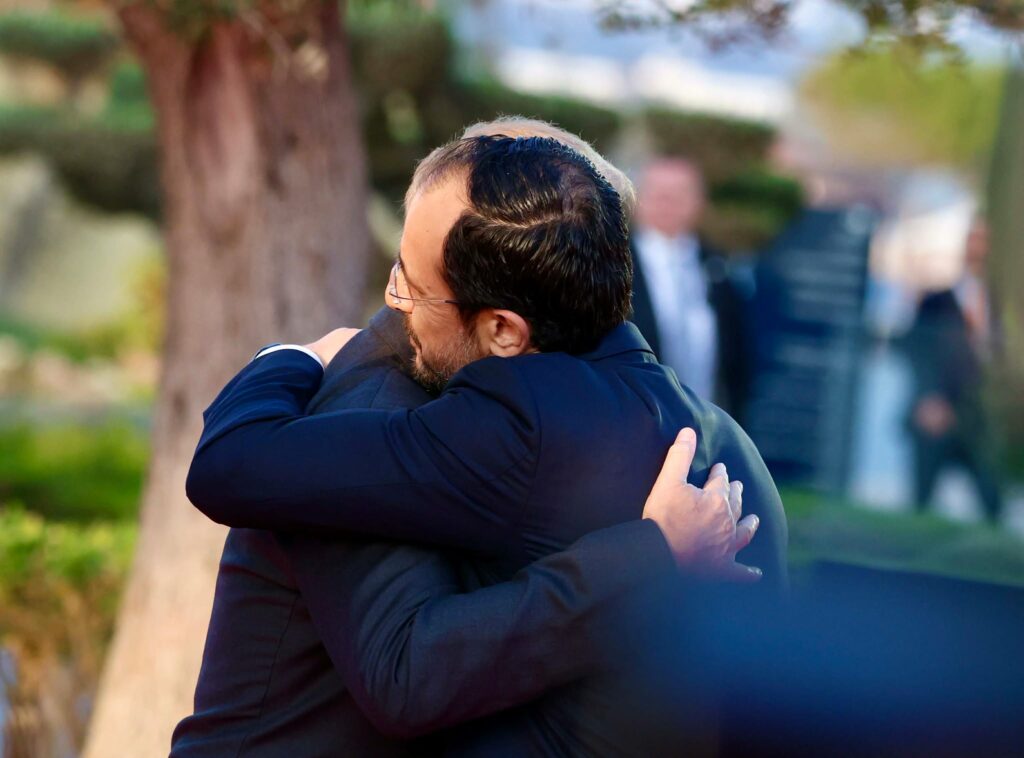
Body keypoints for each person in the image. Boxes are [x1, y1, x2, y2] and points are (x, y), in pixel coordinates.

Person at [171, 121, 768, 757]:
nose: (394, 299)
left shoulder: (510, 418)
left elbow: (414, 676)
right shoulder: (727, 448)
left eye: (410, 280)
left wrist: (293, 355)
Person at [630, 158, 751, 422]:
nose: (667, 203)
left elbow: (737, 355)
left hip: (707, 421)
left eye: (679, 194)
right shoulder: (613, 264)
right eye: (658, 193)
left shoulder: (719, 267)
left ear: (700, 202)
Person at [905, 218, 1004, 522]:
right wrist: (929, 396)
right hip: (939, 410)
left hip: (981, 417)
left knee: (992, 499)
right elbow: (918, 350)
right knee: (922, 500)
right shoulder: (936, 300)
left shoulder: (999, 304)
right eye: (974, 239)